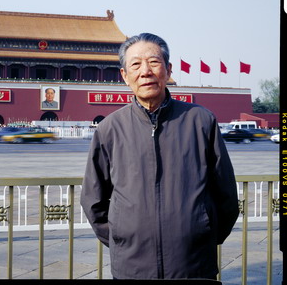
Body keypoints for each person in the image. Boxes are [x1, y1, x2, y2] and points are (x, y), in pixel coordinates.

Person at [80, 33, 239, 280]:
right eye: (135, 64)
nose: (145, 71)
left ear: (168, 70)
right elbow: (93, 199)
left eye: (154, 62)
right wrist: (122, 238)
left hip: (193, 266)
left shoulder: (201, 121)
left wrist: (202, 233)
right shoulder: (110, 129)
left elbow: (226, 194)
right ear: (124, 76)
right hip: (132, 268)